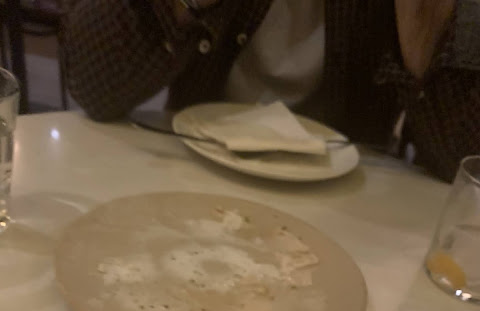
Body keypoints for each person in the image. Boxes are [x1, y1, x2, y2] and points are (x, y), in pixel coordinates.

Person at [61, 0, 480, 182]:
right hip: (187, 170)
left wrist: (425, 32)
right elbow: (92, 86)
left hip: (352, 205)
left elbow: (465, 166)